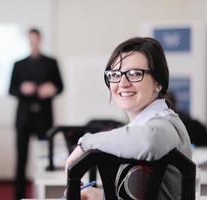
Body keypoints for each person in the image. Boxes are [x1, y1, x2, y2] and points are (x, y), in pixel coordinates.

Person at [65, 37, 192, 200]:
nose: (123, 83)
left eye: (135, 73)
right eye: (115, 74)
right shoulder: (140, 126)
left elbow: (150, 141)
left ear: (158, 82)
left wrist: (86, 143)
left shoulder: (165, 123)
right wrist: (101, 196)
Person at [9, 28, 63, 200]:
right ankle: (19, 196)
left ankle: (44, 195)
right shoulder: (18, 64)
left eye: (35, 39)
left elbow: (60, 87)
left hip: (44, 118)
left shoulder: (51, 62)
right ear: (27, 41)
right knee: (21, 160)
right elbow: (11, 89)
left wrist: (52, 89)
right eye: (30, 40)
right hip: (24, 118)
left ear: (40, 40)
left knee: (47, 158)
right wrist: (22, 89)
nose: (33, 43)